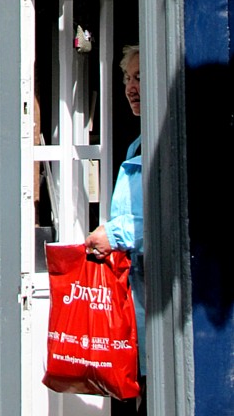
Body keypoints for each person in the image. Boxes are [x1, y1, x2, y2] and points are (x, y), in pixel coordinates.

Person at [85, 45, 145, 405]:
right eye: (126, 78)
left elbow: (166, 212)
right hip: (132, 294)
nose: (130, 87)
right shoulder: (137, 144)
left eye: (139, 77)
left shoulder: (163, 141)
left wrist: (114, 235)